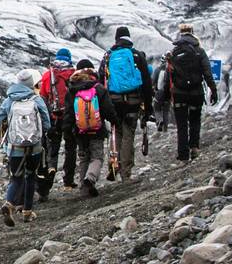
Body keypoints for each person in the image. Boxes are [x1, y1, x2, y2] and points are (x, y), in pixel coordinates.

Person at [0, 69, 50, 226]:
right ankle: (27, 212)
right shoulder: (37, 100)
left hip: (15, 148)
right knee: (31, 176)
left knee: (16, 177)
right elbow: (47, 124)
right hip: (35, 147)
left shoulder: (9, 101)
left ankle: (9, 204)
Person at [98, 26, 153, 182]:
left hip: (113, 101)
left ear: (116, 39)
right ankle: (126, 173)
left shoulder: (108, 56)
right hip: (133, 101)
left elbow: (101, 80)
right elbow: (146, 82)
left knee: (116, 132)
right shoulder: (137, 55)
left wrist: (103, 107)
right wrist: (148, 107)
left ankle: (114, 164)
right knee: (128, 134)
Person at [166, 23, 218, 161]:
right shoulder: (199, 51)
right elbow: (207, 72)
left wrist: (165, 95)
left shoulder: (173, 52)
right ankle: (194, 147)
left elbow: (169, 76)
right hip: (196, 92)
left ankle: (183, 154)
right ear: (192, 33)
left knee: (181, 125)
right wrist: (213, 90)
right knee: (195, 120)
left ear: (180, 34)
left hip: (179, 93)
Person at [67, 59, 118, 197]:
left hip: (79, 130)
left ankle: (84, 190)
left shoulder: (72, 89)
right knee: (97, 157)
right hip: (97, 130)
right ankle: (90, 178)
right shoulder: (99, 88)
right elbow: (108, 109)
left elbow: (69, 113)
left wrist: (68, 130)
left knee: (84, 158)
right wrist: (114, 121)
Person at [35, 48, 77, 201]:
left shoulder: (47, 75)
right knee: (70, 148)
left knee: (52, 150)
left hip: (53, 118)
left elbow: (43, 99)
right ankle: (68, 180)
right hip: (71, 118)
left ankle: (45, 186)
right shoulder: (74, 74)